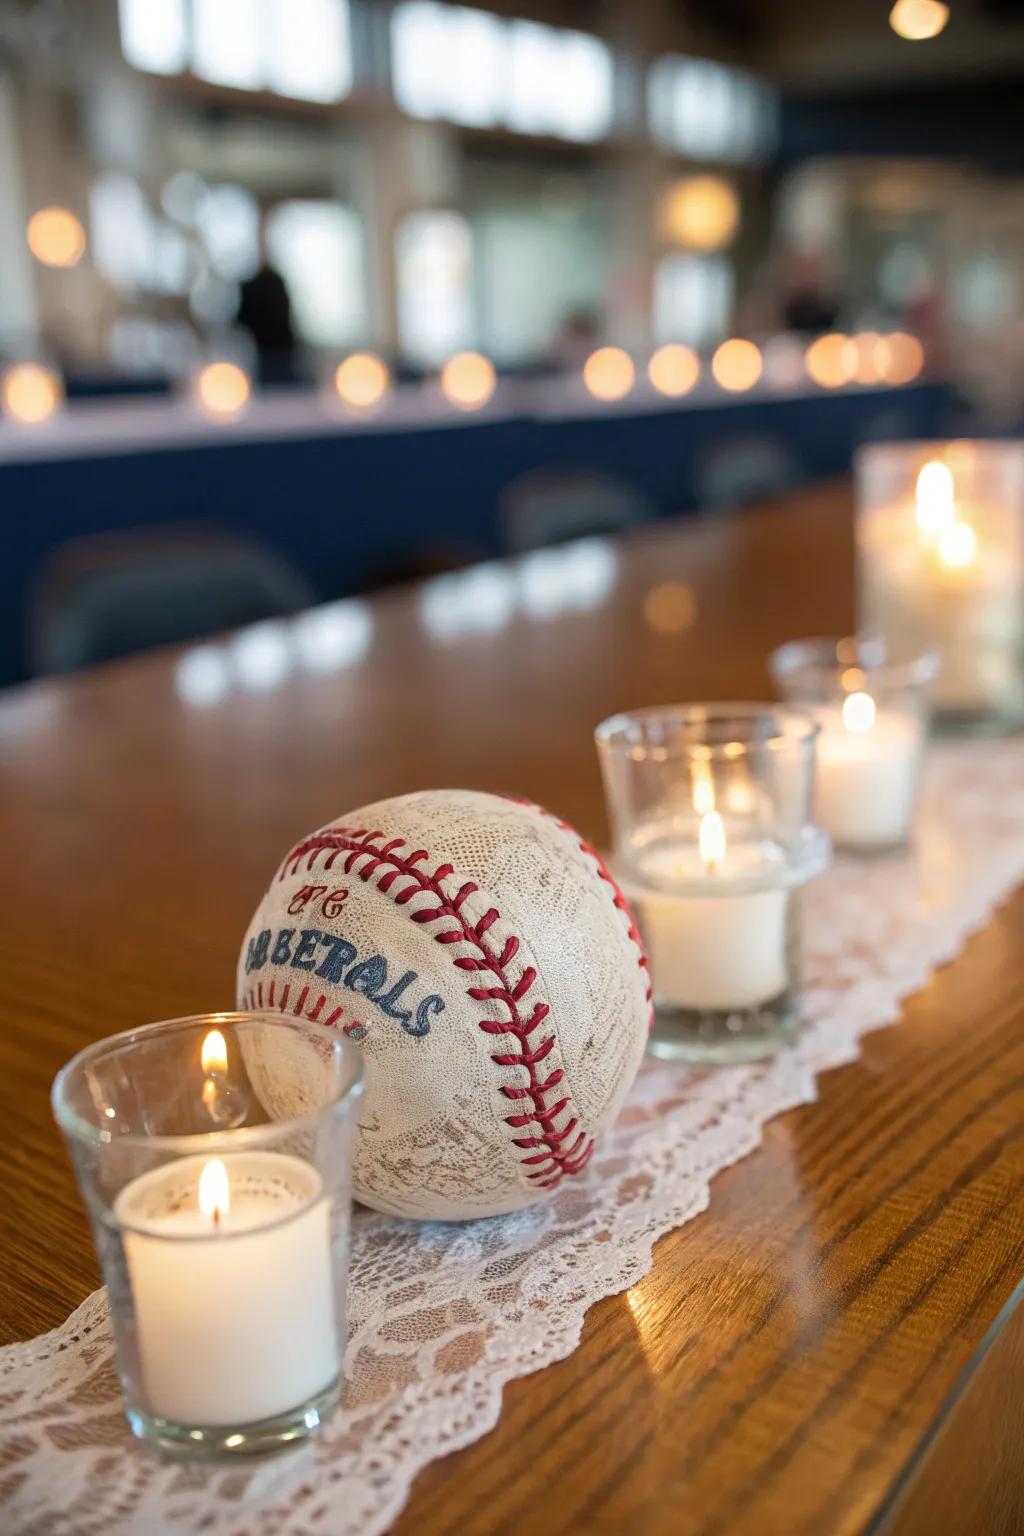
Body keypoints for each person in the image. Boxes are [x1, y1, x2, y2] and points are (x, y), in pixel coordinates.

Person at [235, 211, 298, 386]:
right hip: (263, 354)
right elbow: (242, 320)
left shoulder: (278, 281)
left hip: (285, 352)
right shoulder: (249, 285)